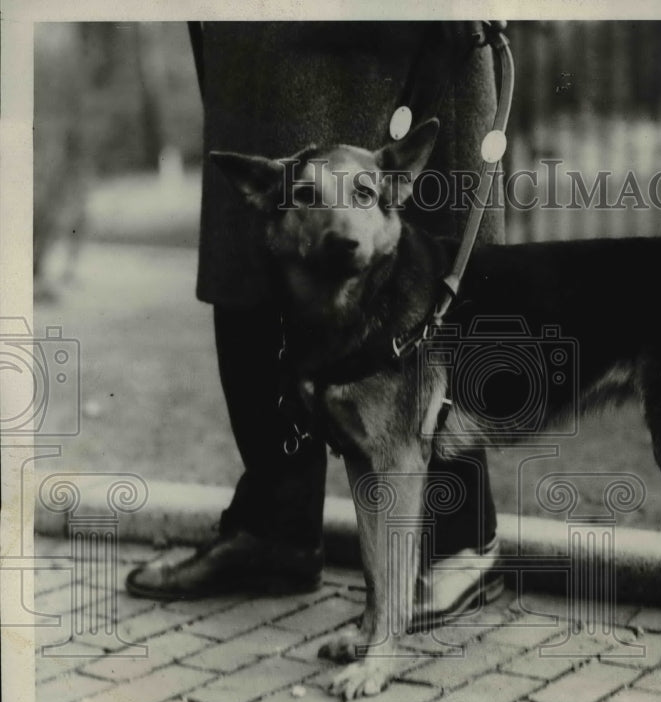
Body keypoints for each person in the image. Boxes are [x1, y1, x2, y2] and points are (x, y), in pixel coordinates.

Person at [126, 21, 504, 627]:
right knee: (256, 260)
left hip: (406, 32)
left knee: (420, 273)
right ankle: (276, 528)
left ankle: (458, 537)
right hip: (263, 36)